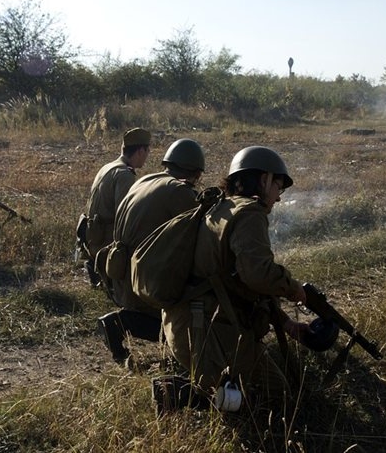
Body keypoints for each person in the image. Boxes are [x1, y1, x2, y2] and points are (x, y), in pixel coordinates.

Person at [162, 145, 309, 412]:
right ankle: (176, 394)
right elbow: (258, 274)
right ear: (264, 179)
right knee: (278, 397)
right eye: (278, 186)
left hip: (186, 323)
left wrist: (284, 322)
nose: (278, 197)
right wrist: (293, 288)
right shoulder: (250, 212)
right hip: (205, 331)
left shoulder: (221, 206)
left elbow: (239, 283)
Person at [97, 138, 206, 363]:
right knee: (187, 318)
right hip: (143, 278)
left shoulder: (144, 181)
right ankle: (120, 323)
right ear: (196, 173)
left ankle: (122, 322)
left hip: (121, 271)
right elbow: (203, 234)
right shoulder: (178, 191)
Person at [80, 127, 151, 286]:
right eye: (147, 151)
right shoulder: (124, 175)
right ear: (140, 151)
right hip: (105, 244)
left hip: (92, 239)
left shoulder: (108, 167)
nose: (147, 156)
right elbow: (125, 218)